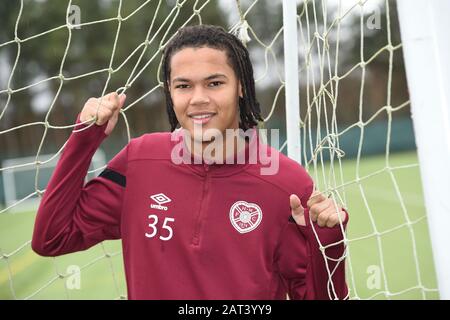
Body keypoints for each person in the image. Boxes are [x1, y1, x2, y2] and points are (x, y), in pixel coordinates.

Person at [32, 25, 349, 300]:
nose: (198, 98)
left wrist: (328, 243)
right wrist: (83, 139)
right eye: (183, 85)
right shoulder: (140, 159)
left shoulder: (287, 183)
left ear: (241, 86)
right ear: (169, 91)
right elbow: (51, 238)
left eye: (214, 83)